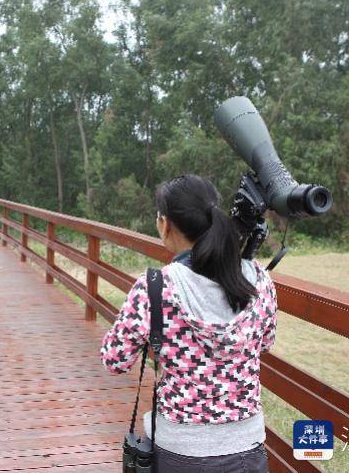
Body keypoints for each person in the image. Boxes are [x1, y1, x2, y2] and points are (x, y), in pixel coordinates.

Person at [100, 174, 277, 473]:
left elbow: (114, 360)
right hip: (247, 448)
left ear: (165, 224)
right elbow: (266, 343)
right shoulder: (259, 279)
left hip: (179, 451)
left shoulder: (154, 287)